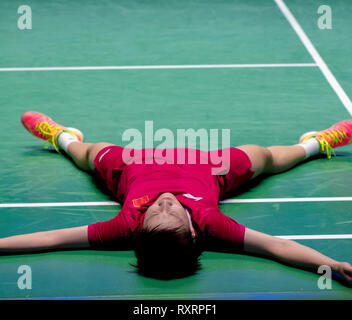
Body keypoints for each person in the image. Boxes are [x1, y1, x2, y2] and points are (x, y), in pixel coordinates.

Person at [0, 111, 351, 284]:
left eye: (156, 212)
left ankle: (61, 136)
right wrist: (332, 265)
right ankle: (316, 143)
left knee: (90, 153)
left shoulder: (126, 225)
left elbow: (51, 239)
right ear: (195, 230)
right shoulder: (212, 224)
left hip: (135, 164)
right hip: (211, 167)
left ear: (138, 228)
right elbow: (276, 247)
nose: (164, 201)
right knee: (266, 158)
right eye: (171, 211)